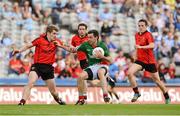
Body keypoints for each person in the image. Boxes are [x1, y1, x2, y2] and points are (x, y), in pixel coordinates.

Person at [12, 25, 66, 105]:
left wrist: (72, 48)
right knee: (30, 83)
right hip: (37, 66)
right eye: (54, 33)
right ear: (48, 33)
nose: (55, 35)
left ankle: (58, 100)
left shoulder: (56, 41)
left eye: (56, 34)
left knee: (54, 92)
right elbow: (28, 46)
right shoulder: (39, 40)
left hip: (48, 68)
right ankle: (22, 102)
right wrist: (19, 51)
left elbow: (65, 46)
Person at [127, 19, 170, 104]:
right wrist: (135, 55)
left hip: (150, 61)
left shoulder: (148, 35)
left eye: (142, 25)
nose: (140, 27)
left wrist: (141, 47)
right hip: (140, 60)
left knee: (157, 81)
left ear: (146, 26)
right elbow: (137, 47)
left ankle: (167, 97)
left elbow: (152, 45)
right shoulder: (136, 35)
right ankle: (136, 92)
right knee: (129, 73)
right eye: (139, 25)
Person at [75, 30, 112, 104]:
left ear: (96, 37)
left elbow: (110, 60)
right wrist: (62, 46)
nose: (88, 39)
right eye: (88, 37)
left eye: (90, 37)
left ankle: (105, 95)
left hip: (103, 65)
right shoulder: (85, 45)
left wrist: (102, 56)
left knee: (100, 72)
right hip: (92, 67)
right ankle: (81, 99)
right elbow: (74, 49)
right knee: (80, 77)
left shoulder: (102, 45)